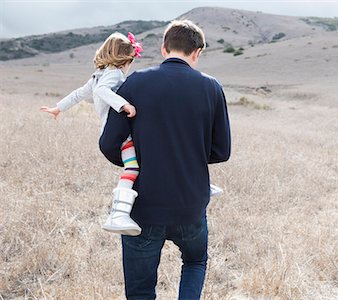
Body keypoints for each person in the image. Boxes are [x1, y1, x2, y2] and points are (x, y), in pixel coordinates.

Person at [99, 20, 231, 299]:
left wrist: (135, 164)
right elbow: (222, 151)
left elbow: (109, 143)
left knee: (140, 291)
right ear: (197, 53)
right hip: (190, 204)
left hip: (143, 205)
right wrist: (187, 154)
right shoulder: (212, 88)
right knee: (195, 262)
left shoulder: (135, 83)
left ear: (163, 49)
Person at [40, 32, 145, 236]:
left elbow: (80, 93)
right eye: (130, 61)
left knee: (138, 166)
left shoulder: (98, 75)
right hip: (121, 133)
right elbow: (102, 92)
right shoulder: (113, 74)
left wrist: (58, 107)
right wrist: (124, 105)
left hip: (111, 133)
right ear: (123, 59)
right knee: (132, 168)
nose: (130, 66)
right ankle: (119, 212)